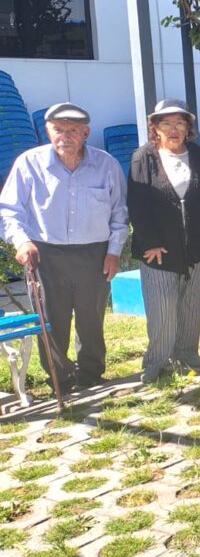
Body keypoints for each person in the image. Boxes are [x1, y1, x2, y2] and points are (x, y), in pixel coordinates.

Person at [0, 102, 127, 391]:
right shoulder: (29, 163)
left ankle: (91, 375)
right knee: (51, 319)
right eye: (58, 130)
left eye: (73, 130)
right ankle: (60, 379)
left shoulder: (106, 164)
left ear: (86, 133)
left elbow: (119, 212)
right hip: (45, 253)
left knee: (91, 317)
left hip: (94, 253)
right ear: (48, 131)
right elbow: (10, 210)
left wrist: (114, 252)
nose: (65, 136)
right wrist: (21, 241)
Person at [127, 99, 200, 384]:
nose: (173, 129)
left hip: (197, 247)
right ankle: (157, 364)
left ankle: (188, 356)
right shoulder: (143, 157)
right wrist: (149, 241)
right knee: (162, 308)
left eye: (179, 123)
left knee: (191, 305)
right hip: (158, 249)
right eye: (166, 123)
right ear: (155, 127)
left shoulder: (198, 154)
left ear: (188, 127)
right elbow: (137, 203)